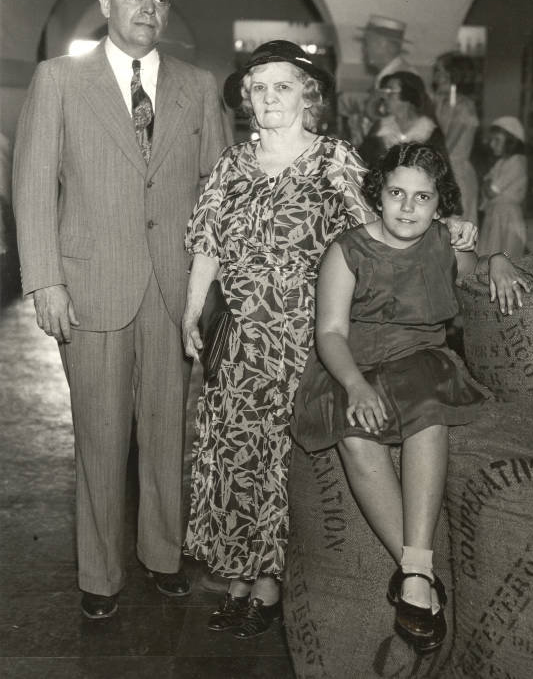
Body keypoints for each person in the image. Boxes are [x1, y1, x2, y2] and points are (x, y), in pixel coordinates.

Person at [181, 41, 478, 640]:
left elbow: (387, 217)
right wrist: (191, 312)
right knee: (236, 457)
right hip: (240, 339)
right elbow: (208, 242)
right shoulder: (231, 165)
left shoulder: (333, 161)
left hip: (306, 340)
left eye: (282, 86)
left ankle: (269, 586)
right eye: (258, 87)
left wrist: (446, 223)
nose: (268, 97)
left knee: (280, 463)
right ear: (246, 99)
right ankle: (238, 578)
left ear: (307, 96)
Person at [12, 0, 226, 620]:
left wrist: (214, 285)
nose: (147, 9)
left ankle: (163, 555)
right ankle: (99, 576)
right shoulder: (59, 80)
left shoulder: (198, 85)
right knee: (100, 437)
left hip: (174, 289)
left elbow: (218, 192)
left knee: (167, 435)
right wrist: (44, 280)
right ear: (106, 3)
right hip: (89, 285)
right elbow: (32, 189)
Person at [292, 142, 529, 653]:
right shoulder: (347, 248)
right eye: (396, 192)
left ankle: (416, 573)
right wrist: (354, 384)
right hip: (350, 362)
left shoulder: (444, 243)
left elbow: (476, 268)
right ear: (378, 195)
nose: (406, 207)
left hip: (420, 360)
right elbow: (330, 332)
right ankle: (417, 572)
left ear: (439, 205)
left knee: (429, 411)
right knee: (354, 434)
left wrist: (498, 260)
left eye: (422, 198)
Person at [359, 71, 453, 181]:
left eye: (390, 91)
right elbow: (360, 164)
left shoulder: (429, 131)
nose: (385, 97)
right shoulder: (380, 127)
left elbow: (444, 176)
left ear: (408, 96)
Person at [339, 16, 415, 147]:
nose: (365, 49)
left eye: (368, 43)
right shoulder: (385, 75)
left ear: (383, 44)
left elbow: (402, 126)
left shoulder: (404, 76)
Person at [432, 52, 480, 224]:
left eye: (439, 71)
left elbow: (444, 146)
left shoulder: (464, 107)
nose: (435, 77)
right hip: (441, 170)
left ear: (451, 75)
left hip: (456, 174)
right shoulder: (441, 102)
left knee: (456, 231)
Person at [477, 116, 528, 258]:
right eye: (491, 140)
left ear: (511, 142)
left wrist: (487, 182)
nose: (492, 144)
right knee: (491, 252)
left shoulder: (516, 163)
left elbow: (490, 191)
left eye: (497, 140)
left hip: (507, 217)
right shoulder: (502, 162)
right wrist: (487, 182)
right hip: (496, 214)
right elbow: (487, 184)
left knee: (504, 253)